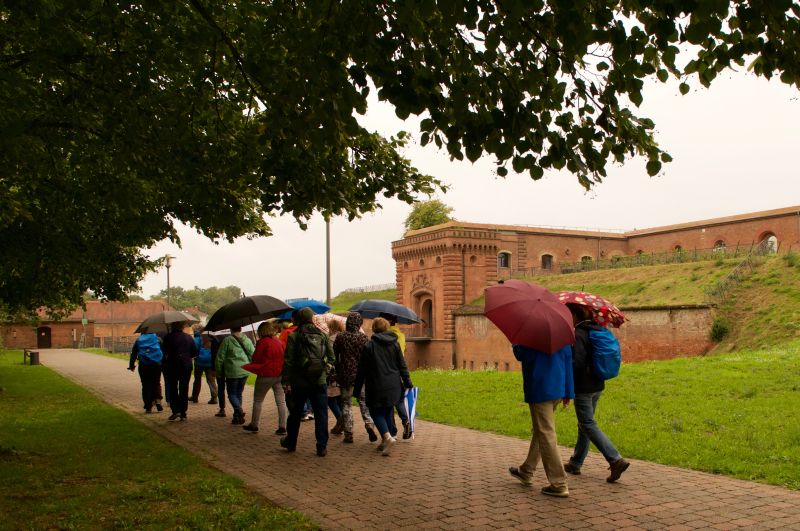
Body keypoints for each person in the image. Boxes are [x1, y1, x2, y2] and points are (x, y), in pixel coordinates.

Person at [564, 304, 630, 483]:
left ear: (576, 315)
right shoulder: (597, 329)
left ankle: (615, 459)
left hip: (584, 386)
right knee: (584, 424)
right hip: (597, 384)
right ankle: (576, 463)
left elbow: (576, 363)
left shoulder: (578, 333)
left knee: (587, 423)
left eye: (569, 313)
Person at [508, 342, 574, 497]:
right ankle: (526, 470)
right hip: (557, 388)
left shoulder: (530, 337)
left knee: (546, 433)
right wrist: (568, 392)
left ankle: (559, 483)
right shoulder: (560, 335)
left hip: (540, 389)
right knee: (541, 430)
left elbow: (522, 355)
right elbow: (568, 361)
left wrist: (516, 342)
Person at [353, 317, 413, 456]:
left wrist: (356, 390)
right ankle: (385, 441)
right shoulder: (395, 344)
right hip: (393, 384)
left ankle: (387, 437)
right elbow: (402, 365)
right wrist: (407, 382)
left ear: (374, 328)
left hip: (376, 384)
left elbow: (362, 370)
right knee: (387, 411)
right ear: (386, 328)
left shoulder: (369, 346)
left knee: (375, 412)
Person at [280, 307, 335, 457]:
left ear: (299, 319)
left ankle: (291, 443)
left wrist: (285, 381)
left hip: (300, 381)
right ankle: (321, 446)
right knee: (321, 414)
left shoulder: (294, 336)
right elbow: (332, 357)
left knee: (296, 413)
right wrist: (324, 369)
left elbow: (289, 361)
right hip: (319, 381)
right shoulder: (322, 335)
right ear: (312, 318)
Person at [334, 312, 379, 444]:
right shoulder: (364, 338)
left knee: (346, 404)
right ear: (359, 323)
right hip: (361, 376)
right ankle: (369, 424)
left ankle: (348, 433)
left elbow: (335, 356)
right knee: (364, 402)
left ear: (347, 322)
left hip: (345, 375)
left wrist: (338, 371)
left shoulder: (340, 337)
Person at [242, 321, 288, 435]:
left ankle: (254, 425)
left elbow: (256, 358)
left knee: (258, 400)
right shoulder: (279, 341)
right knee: (281, 401)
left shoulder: (262, 342)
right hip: (279, 374)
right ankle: (282, 427)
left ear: (261, 331)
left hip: (265, 375)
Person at [380, 312, 412, 440]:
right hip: (398, 370)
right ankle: (405, 420)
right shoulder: (401, 335)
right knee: (398, 400)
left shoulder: (384, 337)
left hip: (385, 371)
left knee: (387, 402)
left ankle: (392, 431)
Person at [215, 326, 255, 425]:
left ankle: (239, 410)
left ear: (231, 329)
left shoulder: (227, 340)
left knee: (232, 394)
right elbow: (253, 354)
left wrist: (219, 371)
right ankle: (237, 418)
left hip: (232, 371)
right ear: (241, 329)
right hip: (244, 370)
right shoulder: (247, 340)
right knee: (238, 394)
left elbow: (220, 357)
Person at [161, 322, 199, 421]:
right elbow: (194, 352)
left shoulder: (168, 337)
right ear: (182, 327)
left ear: (172, 327)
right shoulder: (188, 337)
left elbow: (164, 351)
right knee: (184, 388)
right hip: (186, 365)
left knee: (173, 387)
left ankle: (175, 410)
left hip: (173, 365)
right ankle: (183, 412)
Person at [128, 332, 164, 414]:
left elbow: (133, 354)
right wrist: (162, 363)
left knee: (146, 384)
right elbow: (163, 352)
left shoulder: (139, 340)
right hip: (156, 365)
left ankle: (148, 406)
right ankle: (158, 401)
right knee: (156, 383)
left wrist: (131, 365)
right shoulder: (158, 339)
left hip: (144, 365)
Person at [327, 319, 344, 435]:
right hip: (344, 373)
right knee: (339, 399)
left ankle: (340, 420)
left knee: (331, 398)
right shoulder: (345, 338)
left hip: (333, 374)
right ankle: (340, 423)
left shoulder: (330, 340)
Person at [191, 331, 218, 405]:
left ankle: (195, 397)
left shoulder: (199, 338)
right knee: (211, 380)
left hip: (199, 362)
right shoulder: (214, 339)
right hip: (210, 363)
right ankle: (214, 397)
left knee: (197, 380)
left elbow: (195, 349)